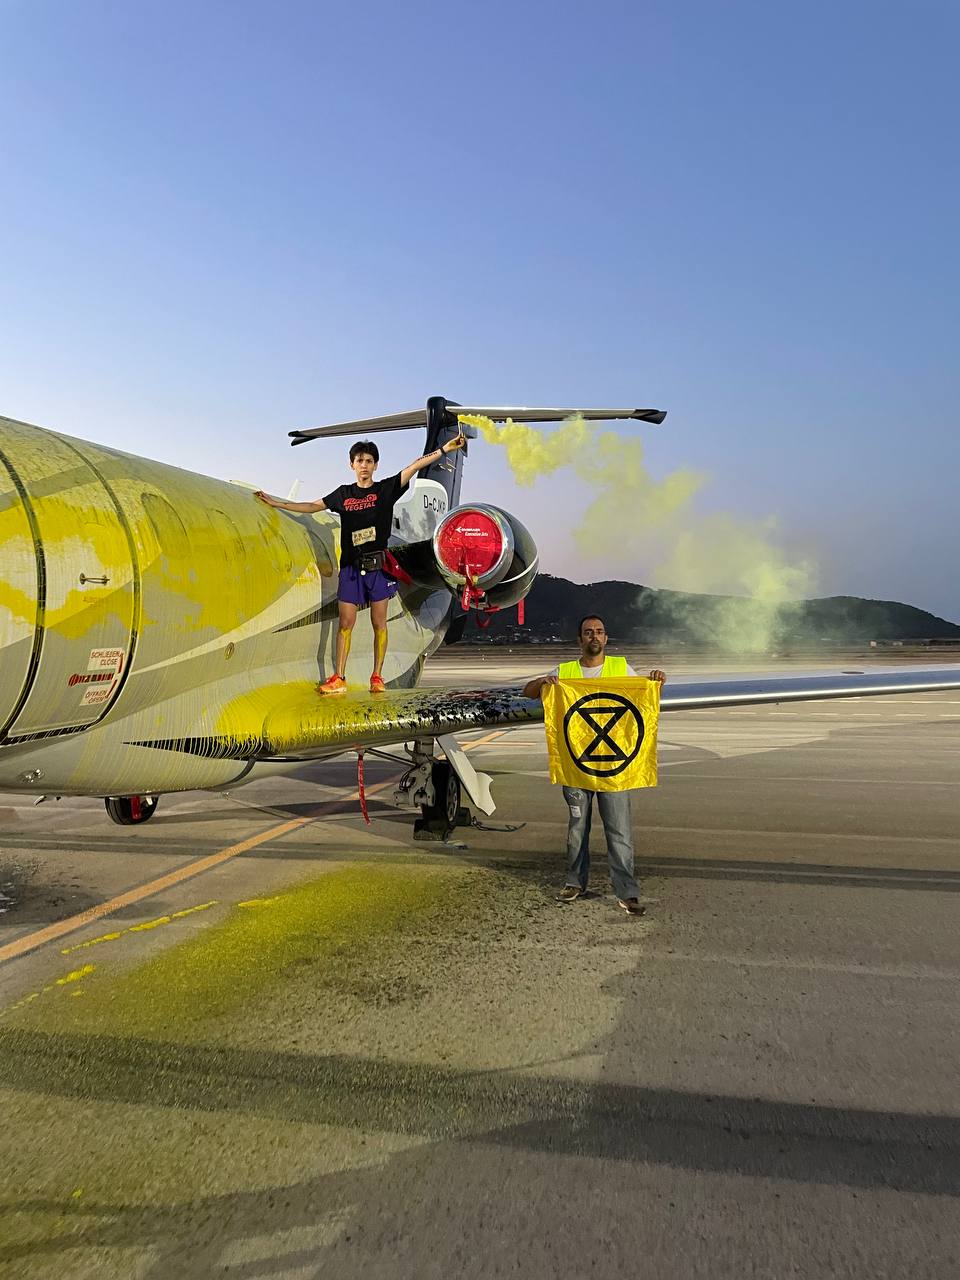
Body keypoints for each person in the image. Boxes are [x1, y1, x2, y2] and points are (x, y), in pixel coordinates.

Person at [255, 433, 465, 693]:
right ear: (351, 465)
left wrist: (444, 449)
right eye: (359, 460)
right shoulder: (343, 494)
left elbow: (415, 466)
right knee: (345, 623)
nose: (363, 464)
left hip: (378, 569)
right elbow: (311, 505)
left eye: (368, 460)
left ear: (375, 465)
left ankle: (377, 677)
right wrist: (275, 503)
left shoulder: (385, 490)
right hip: (351, 569)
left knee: (379, 624)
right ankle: (338, 678)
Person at [522, 614, 666, 916]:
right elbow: (529, 692)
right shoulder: (565, 672)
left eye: (599, 632)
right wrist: (541, 682)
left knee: (620, 832)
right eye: (588, 633)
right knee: (577, 829)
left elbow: (643, 699)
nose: (594, 637)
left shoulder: (621, 668)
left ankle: (627, 891)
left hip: (615, 767)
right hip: (578, 767)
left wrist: (655, 682)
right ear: (580, 639)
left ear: (606, 638)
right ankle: (575, 883)